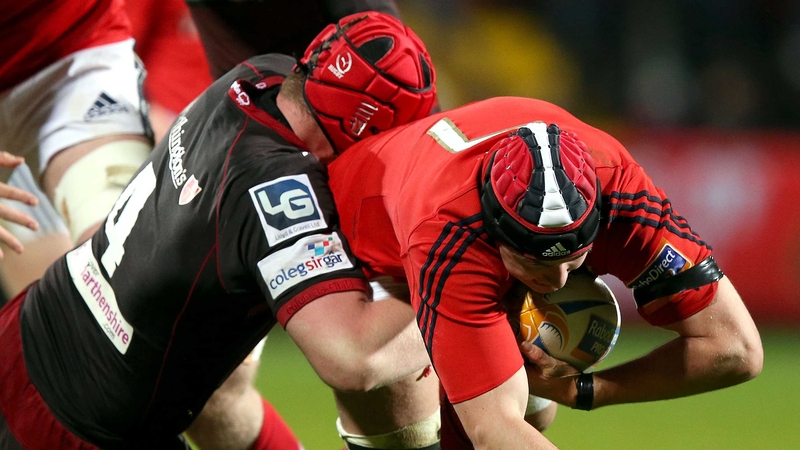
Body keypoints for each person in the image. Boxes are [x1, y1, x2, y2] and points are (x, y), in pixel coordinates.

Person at [0, 10, 441, 450]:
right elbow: (354, 360)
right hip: (82, 431)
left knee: (224, 396)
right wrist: (457, 293)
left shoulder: (257, 74)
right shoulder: (279, 188)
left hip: (21, 335)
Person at [326, 96, 764, 448]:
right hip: (361, 237)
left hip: (431, 195)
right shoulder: (450, 233)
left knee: (532, 408)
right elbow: (492, 430)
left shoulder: (622, 193)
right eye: (535, 263)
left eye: (574, 261)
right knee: (403, 431)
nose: (556, 283)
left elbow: (736, 349)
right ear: (496, 236)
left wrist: (584, 390)